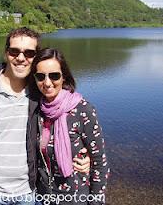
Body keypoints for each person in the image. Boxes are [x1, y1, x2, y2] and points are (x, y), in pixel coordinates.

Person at [0, 28, 91, 205]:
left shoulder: (41, 93)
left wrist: (83, 156)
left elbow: (65, 124)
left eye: (29, 53)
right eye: (14, 51)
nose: (21, 58)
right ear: (6, 53)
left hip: (29, 193)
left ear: (36, 57)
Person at [30, 48, 109, 205]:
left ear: (64, 76)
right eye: (40, 76)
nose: (47, 82)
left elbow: (100, 161)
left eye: (54, 75)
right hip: (42, 196)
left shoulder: (82, 110)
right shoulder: (36, 109)